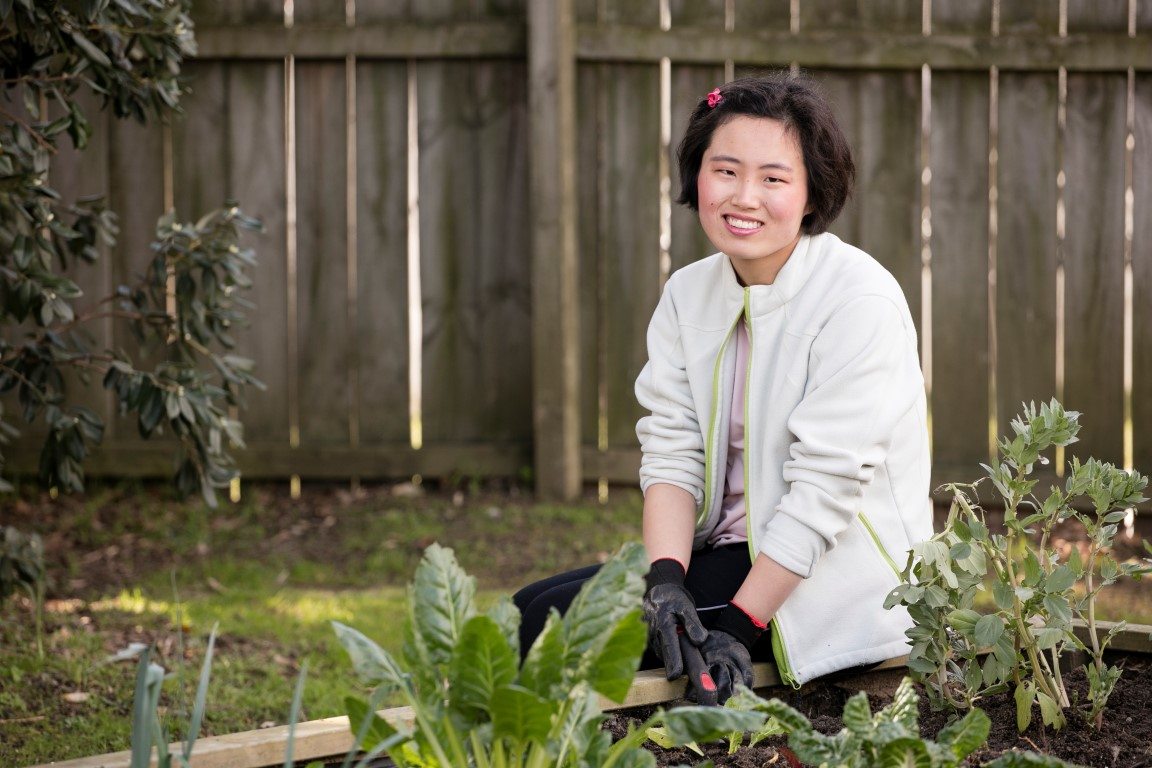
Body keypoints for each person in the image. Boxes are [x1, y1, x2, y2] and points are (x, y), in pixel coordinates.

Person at [513, 72, 932, 705]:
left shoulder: (858, 300)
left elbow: (823, 494)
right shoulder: (689, 293)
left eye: (774, 178)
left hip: (830, 580)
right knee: (529, 608)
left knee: (550, 629)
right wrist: (666, 584)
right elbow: (672, 453)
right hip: (728, 549)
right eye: (725, 170)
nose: (745, 197)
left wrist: (736, 626)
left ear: (813, 193)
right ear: (696, 175)